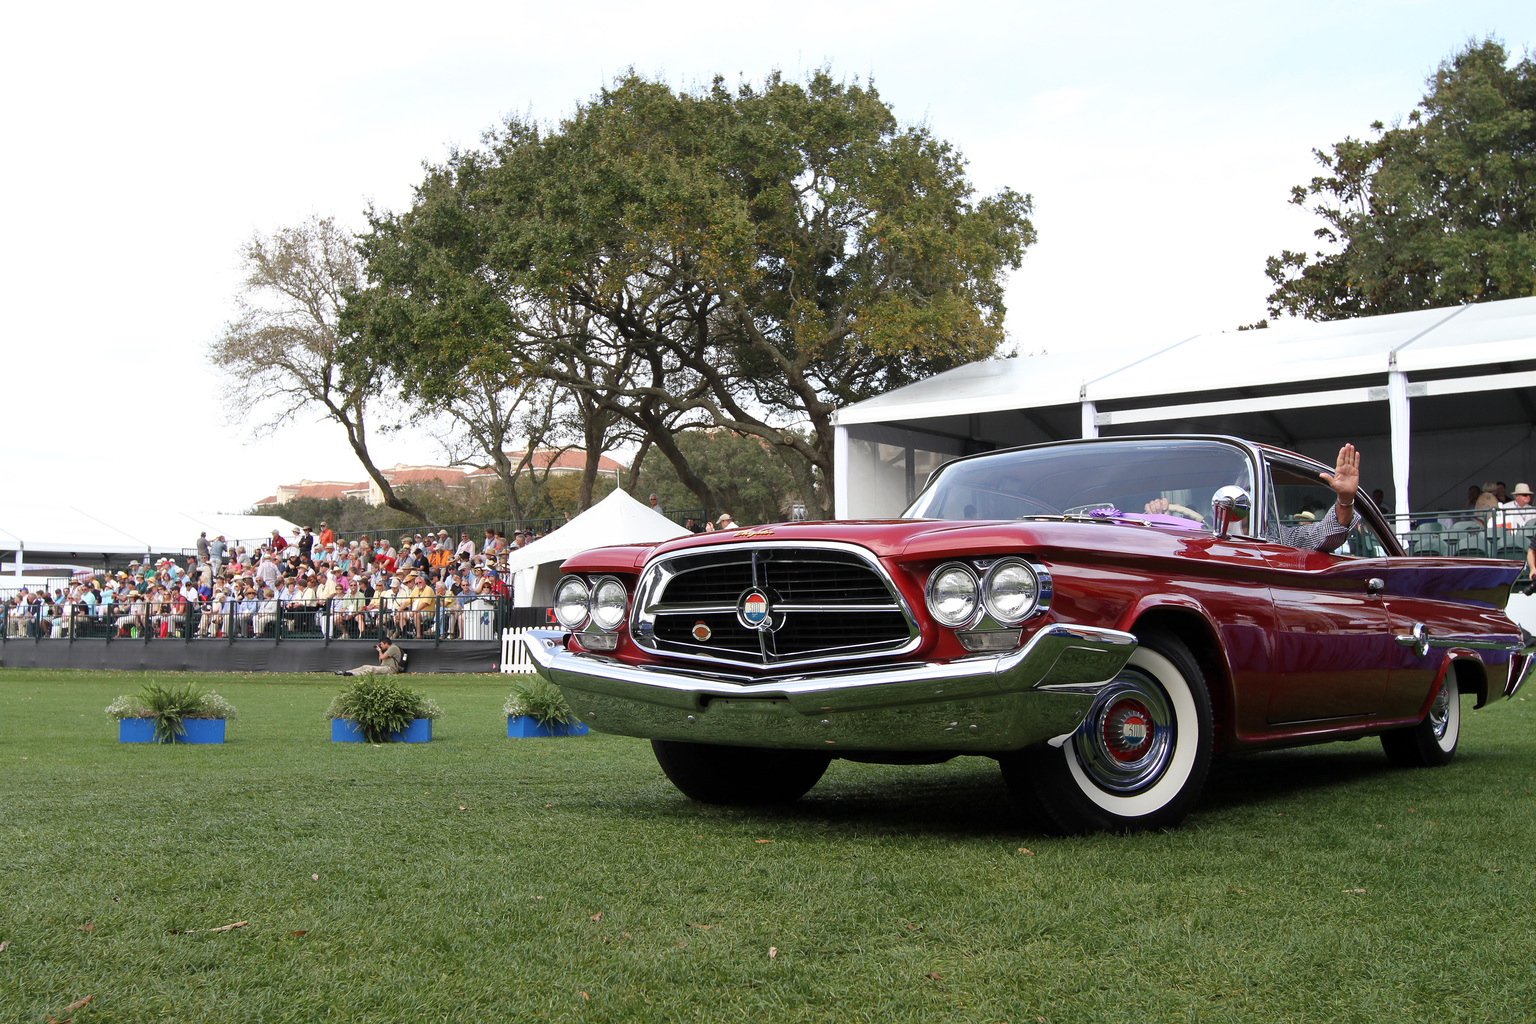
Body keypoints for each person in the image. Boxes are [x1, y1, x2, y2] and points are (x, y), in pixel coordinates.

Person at [339, 639, 403, 676]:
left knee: (372, 669)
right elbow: (380, 660)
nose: (381, 646)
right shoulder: (387, 649)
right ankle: (346, 672)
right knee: (365, 666)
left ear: (386, 643)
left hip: (390, 669)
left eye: (381, 644)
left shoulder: (393, 647)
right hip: (384, 667)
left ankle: (353, 674)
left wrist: (380, 650)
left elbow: (382, 657)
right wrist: (380, 651)